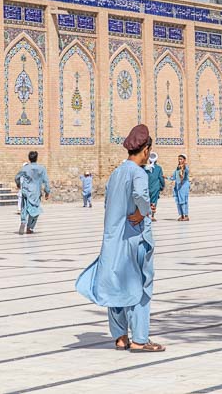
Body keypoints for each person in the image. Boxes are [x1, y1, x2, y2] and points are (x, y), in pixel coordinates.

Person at [75, 124, 164, 353]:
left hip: (113, 239)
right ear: (145, 150)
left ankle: (121, 337)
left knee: (115, 285)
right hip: (134, 239)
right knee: (141, 286)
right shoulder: (138, 173)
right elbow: (140, 196)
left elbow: (107, 204)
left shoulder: (116, 173)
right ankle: (140, 339)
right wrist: (143, 211)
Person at [15, 151, 51, 235]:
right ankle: (30, 227)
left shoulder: (25, 168)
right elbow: (46, 181)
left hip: (26, 191)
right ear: (36, 158)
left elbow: (17, 177)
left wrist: (18, 184)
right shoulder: (42, 168)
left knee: (24, 207)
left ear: (29, 158)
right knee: (35, 210)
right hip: (36, 192)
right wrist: (47, 192)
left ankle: (23, 221)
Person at [170, 155, 191, 221]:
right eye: (179, 159)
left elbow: (186, 173)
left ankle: (186, 215)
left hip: (184, 186)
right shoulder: (177, 168)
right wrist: (166, 177)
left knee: (184, 201)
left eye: (181, 159)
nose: (179, 160)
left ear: (184, 160)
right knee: (178, 201)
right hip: (178, 187)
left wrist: (183, 167)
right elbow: (174, 177)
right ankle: (181, 215)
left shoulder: (186, 167)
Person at [146, 152, 165, 221]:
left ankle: (147, 214)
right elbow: (161, 178)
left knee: (147, 201)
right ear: (156, 160)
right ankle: (152, 216)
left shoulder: (146, 168)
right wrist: (163, 185)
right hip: (155, 188)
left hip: (147, 187)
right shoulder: (159, 168)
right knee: (154, 202)